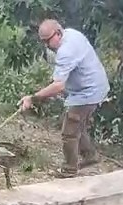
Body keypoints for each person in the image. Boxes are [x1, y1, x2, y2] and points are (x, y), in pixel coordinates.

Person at [19, 19, 110, 178]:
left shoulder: (66, 51)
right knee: (78, 125)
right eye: (43, 42)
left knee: (69, 132)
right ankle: (90, 157)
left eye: (48, 40)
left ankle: (69, 170)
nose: (46, 45)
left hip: (88, 92)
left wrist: (32, 98)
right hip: (94, 86)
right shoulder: (73, 34)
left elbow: (58, 86)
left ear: (58, 33)